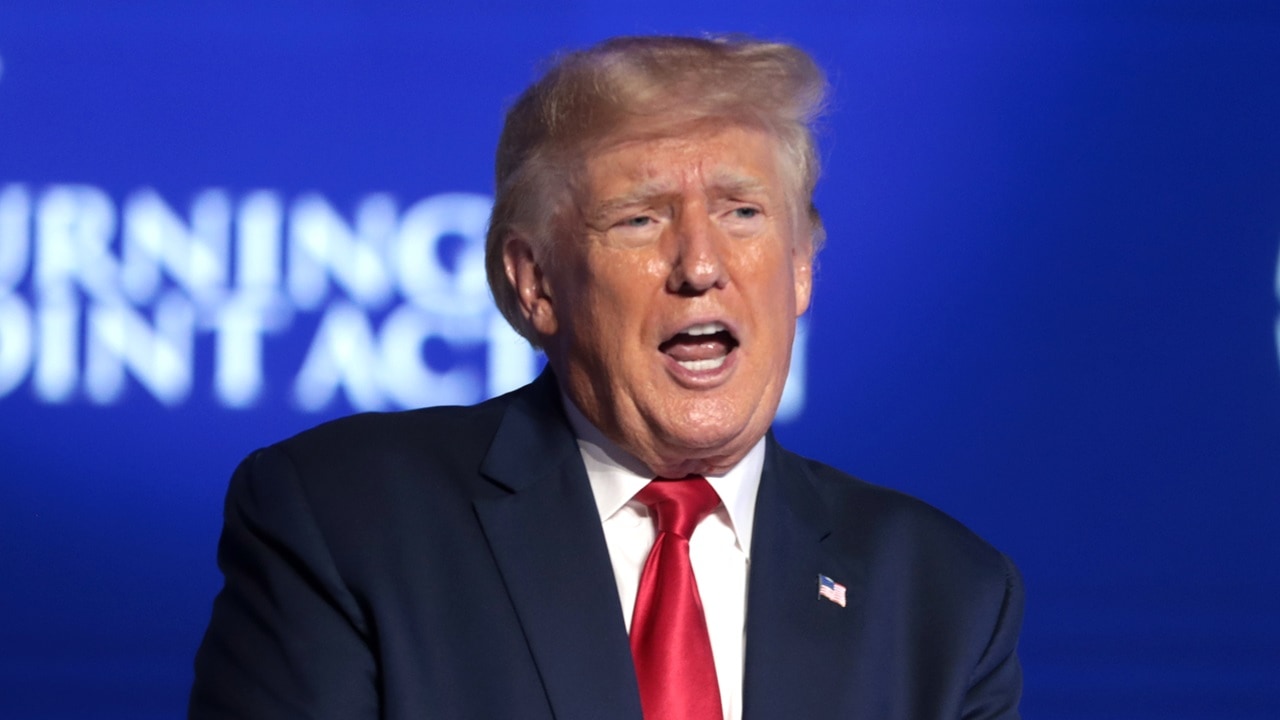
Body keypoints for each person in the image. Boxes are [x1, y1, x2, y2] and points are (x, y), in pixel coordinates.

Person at [189, 35, 1023, 720]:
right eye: (641, 218)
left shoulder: (945, 600)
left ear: (802, 267)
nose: (701, 264)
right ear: (536, 284)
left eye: (742, 211)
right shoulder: (345, 521)